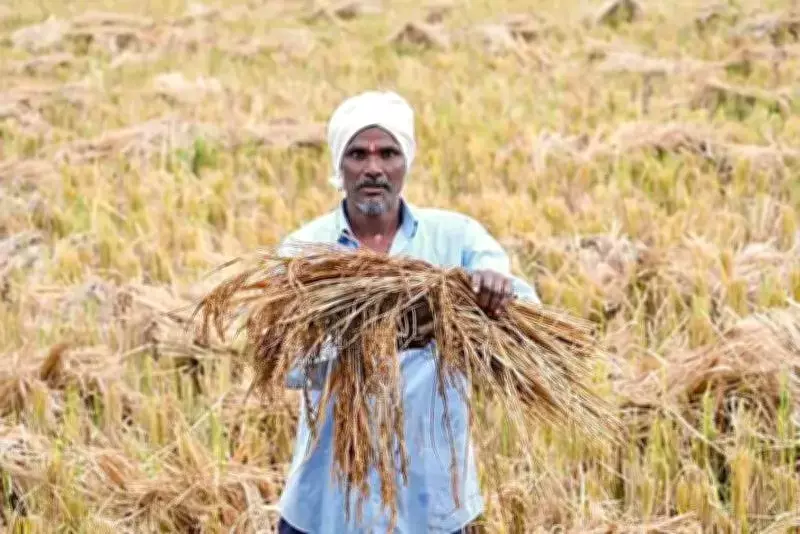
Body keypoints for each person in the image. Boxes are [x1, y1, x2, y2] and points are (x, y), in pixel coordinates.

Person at [275, 91, 540, 533]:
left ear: (406, 163)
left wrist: (497, 292)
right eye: (358, 154)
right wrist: (373, 334)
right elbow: (286, 363)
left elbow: (526, 318)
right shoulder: (304, 252)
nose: (373, 167)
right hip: (329, 503)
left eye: (388, 153)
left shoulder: (456, 239)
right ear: (339, 166)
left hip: (431, 500)